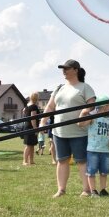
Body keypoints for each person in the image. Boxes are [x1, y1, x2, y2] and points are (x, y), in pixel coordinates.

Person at [42, 60, 95, 198]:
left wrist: (84, 112)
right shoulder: (59, 88)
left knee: (82, 161)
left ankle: (86, 189)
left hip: (78, 132)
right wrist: (43, 121)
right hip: (59, 132)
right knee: (62, 160)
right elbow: (50, 107)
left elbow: (91, 105)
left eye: (67, 68)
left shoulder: (85, 87)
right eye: (62, 69)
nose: (64, 71)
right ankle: (61, 190)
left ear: (76, 70)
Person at [78, 99, 109, 196]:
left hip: (105, 150)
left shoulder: (108, 121)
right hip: (93, 150)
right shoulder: (93, 117)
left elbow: (108, 132)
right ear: (104, 106)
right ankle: (93, 190)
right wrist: (82, 114)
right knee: (91, 171)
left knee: (104, 172)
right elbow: (80, 124)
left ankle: (103, 190)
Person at [22, 92, 41, 166]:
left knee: (32, 145)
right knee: (29, 145)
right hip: (31, 127)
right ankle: (25, 161)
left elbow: (24, 112)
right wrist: (35, 128)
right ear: (36, 98)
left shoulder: (27, 106)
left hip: (27, 126)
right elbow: (33, 118)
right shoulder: (34, 106)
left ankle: (31, 161)